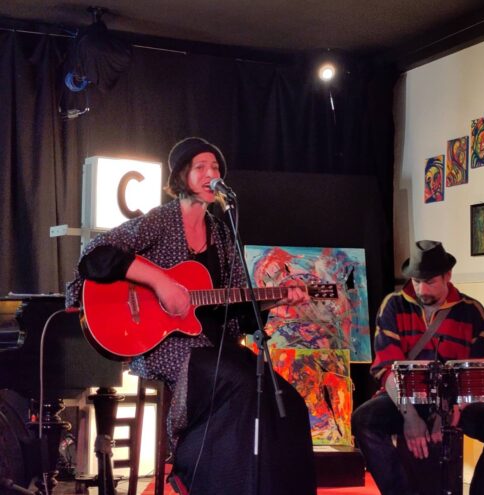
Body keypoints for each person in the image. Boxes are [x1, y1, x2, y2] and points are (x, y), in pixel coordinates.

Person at [65, 137, 316, 495]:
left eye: (215, 167)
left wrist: (274, 300)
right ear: (182, 175)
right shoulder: (161, 221)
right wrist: (160, 282)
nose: (211, 173)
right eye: (201, 167)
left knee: (286, 399)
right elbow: (96, 254)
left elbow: (236, 307)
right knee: (240, 383)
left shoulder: (222, 234)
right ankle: (195, 476)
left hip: (213, 347)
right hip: (167, 345)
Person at [351, 240, 484, 495]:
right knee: (363, 420)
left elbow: (481, 371)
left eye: (429, 282)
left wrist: (451, 411)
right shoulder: (393, 305)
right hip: (405, 398)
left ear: (447, 276)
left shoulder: (472, 311)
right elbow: (386, 368)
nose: (422, 289)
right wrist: (410, 417)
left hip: (457, 402)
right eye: (417, 281)